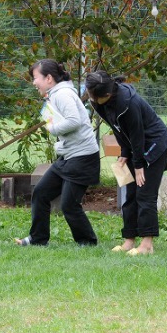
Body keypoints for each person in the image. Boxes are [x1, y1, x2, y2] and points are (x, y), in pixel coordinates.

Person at [15, 59, 101, 246]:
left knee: (69, 204)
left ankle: (87, 242)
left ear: (48, 78)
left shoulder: (62, 94)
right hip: (69, 156)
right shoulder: (55, 94)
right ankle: (38, 239)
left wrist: (53, 129)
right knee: (41, 192)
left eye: (35, 78)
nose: (34, 82)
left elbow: (74, 121)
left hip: (83, 158)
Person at [85, 70, 167, 255]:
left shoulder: (128, 103)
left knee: (145, 194)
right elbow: (118, 128)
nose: (91, 98)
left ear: (107, 94)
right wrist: (125, 152)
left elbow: (137, 133)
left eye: (94, 96)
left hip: (154, 144)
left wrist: (139, 165)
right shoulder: (98, 101)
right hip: (135, 146)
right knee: (130, 194)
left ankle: (147, 245)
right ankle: (129, 241)